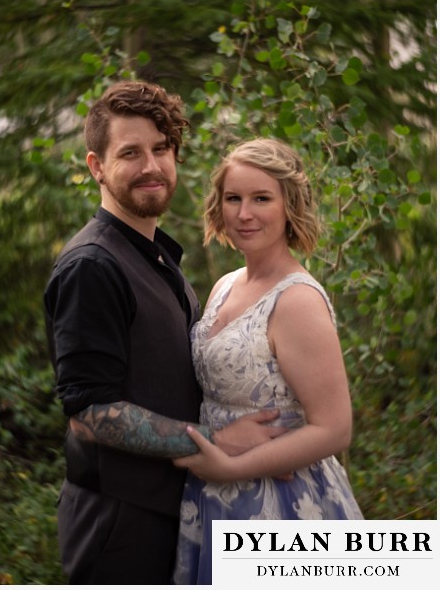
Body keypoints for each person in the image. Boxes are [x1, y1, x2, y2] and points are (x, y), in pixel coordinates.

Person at [44, 80, 286, 584]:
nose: (151, 166)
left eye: (161, 149)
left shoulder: (155, 257)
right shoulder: (92, 266)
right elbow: (90, 414)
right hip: (119, 522)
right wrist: (220, 440)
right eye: (130, 153)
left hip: (174, 511)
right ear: (96, 166)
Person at [171, 138, 363, 584]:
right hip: (213, 499)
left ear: (288, 205)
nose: (244, 213)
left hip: (281, 506)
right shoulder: (224, 285)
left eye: (261, 198)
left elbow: (335, 428)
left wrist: (232, 467)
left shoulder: (297, 300)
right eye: (233, 198)